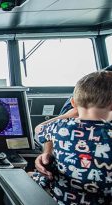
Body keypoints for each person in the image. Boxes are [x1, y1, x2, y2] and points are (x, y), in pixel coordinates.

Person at [31, 70, 112, 204]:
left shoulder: (60, 126)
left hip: (61, 199)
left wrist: (67, 114)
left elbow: (38, 129)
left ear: (73, 103)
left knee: (30, 175)